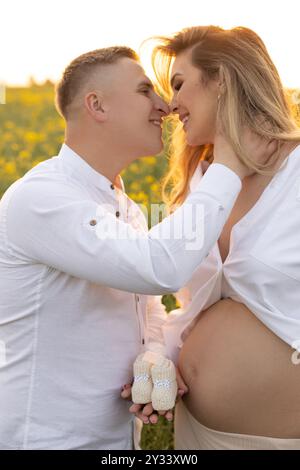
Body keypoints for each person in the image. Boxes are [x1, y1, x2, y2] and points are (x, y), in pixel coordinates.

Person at [0, 45, 268, 450]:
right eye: (147, 91)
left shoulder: (124, 208)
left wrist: (155, 352)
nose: (167, 107)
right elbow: (157, 269)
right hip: (44, 440)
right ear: (97, 105)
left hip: (115, 443)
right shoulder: (42, 198)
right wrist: (227, 168)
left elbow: (148, 304)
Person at [127, 25, 300, 450]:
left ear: (221, 78)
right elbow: (191, 308)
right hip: (195, 435)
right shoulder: (198, 187)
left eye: (180, 84)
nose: (170, 105)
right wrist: (161, 355)